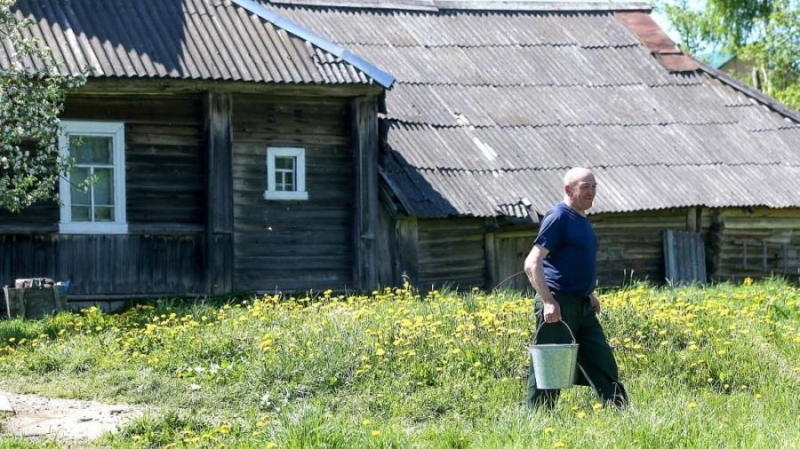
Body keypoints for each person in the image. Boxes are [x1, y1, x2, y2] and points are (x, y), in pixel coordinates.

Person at [523, 167, 628, 409]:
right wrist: (548, 301)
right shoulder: (559, 217)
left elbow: (570, 262)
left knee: (601, 360)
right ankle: (537, 421)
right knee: (550, 366)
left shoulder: (581, 220)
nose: (591, 192)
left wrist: (588, 294)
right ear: (568, 190)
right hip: (559, 303)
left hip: (581, 304)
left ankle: (622, 415)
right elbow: (532, 262)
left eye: (594, 186)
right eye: (585, 187)